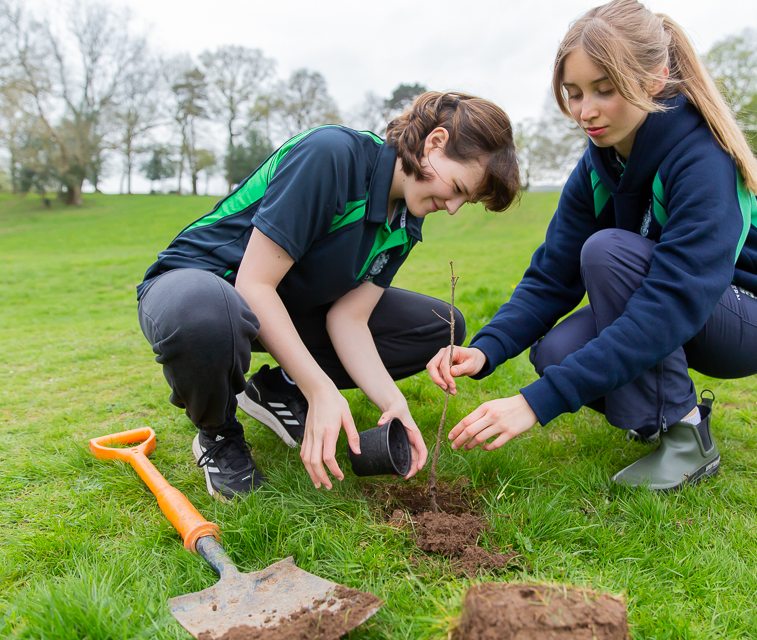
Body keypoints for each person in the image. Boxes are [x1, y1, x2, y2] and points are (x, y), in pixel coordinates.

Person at [427, 0, 757, 491]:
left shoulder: (701, 157)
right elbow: (552, 276)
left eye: (604, 91)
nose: (586, 111)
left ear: (655, 78)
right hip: (679, 306)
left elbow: (670, 302)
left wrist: (535, 403)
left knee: (608, 251)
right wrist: (486, 349)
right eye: (574, 93)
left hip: (753, 319)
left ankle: (688, 437)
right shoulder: (597, 165)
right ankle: (651, 416)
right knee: (557, 353)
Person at [137, 92, 519, 501]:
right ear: (435, 142)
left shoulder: (406, 221)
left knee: (441, 324)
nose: (455, 207)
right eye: (459, 187)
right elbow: (254, 284)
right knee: (207, 316)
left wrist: (394, 403)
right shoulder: (331, 156)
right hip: (200, 285)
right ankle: (218, 435)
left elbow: (349, 320)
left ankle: (279, 390)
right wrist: (321, 388)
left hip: (283, 305)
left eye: (468, 200)